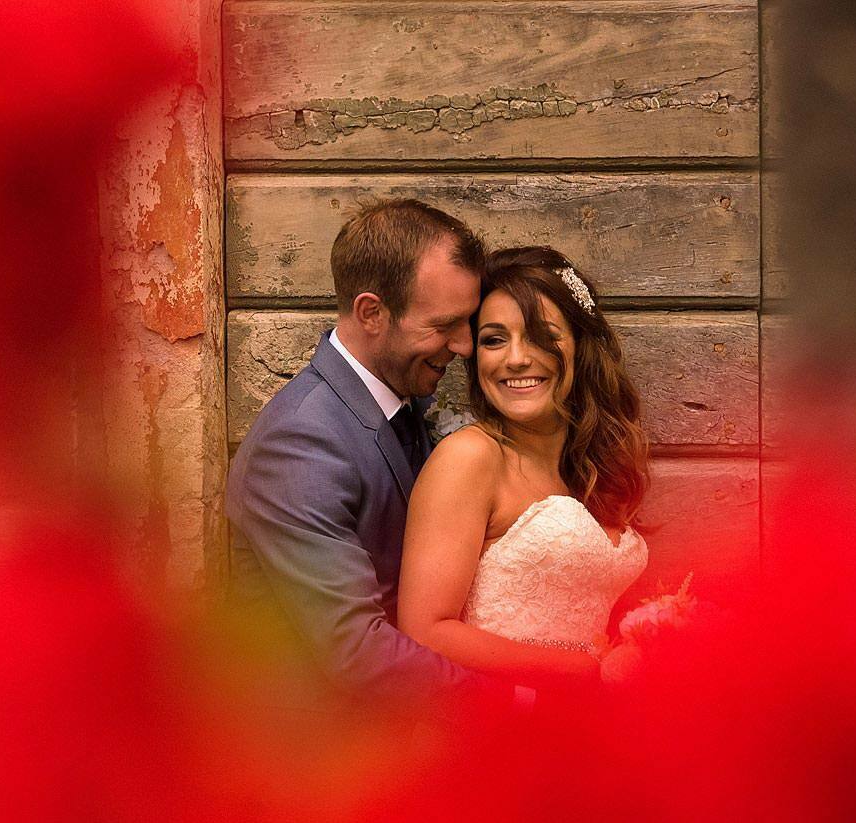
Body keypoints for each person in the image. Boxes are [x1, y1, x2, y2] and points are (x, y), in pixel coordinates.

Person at [225, 198, 485, 695]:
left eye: (467, 323)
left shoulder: (400, 399)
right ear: (372, 313)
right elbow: (357, 651)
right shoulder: (300, 445)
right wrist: (521, 706)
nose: (465, 346)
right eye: (443, 325)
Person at [395, 246, 652, 689]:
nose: (515, 358)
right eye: (494, 339)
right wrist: (590, 672)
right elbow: (426, 632)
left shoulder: (593, 461)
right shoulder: (470, 458)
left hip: (593, 730)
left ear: (579, 345)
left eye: (539, 335)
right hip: (505, 726)